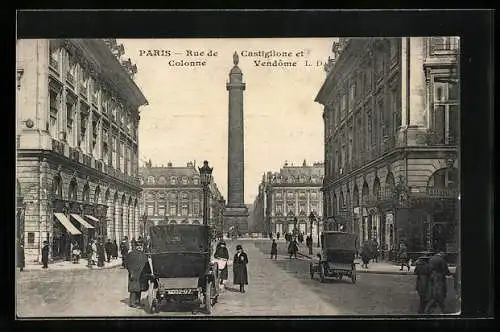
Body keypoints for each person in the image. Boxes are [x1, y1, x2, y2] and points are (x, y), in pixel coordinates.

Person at [126, 239, 151, 308]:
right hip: (135, 273)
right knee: (134, 289)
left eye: (140, 246)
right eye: (138, 246)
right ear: (136, 246)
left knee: (138, 288)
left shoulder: (142, 254)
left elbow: (147, 264)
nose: (139, 247)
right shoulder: (133, 254)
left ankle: (137, 302)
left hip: (138, 273)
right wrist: (131, 272)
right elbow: (127, 264)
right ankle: (132, 303)